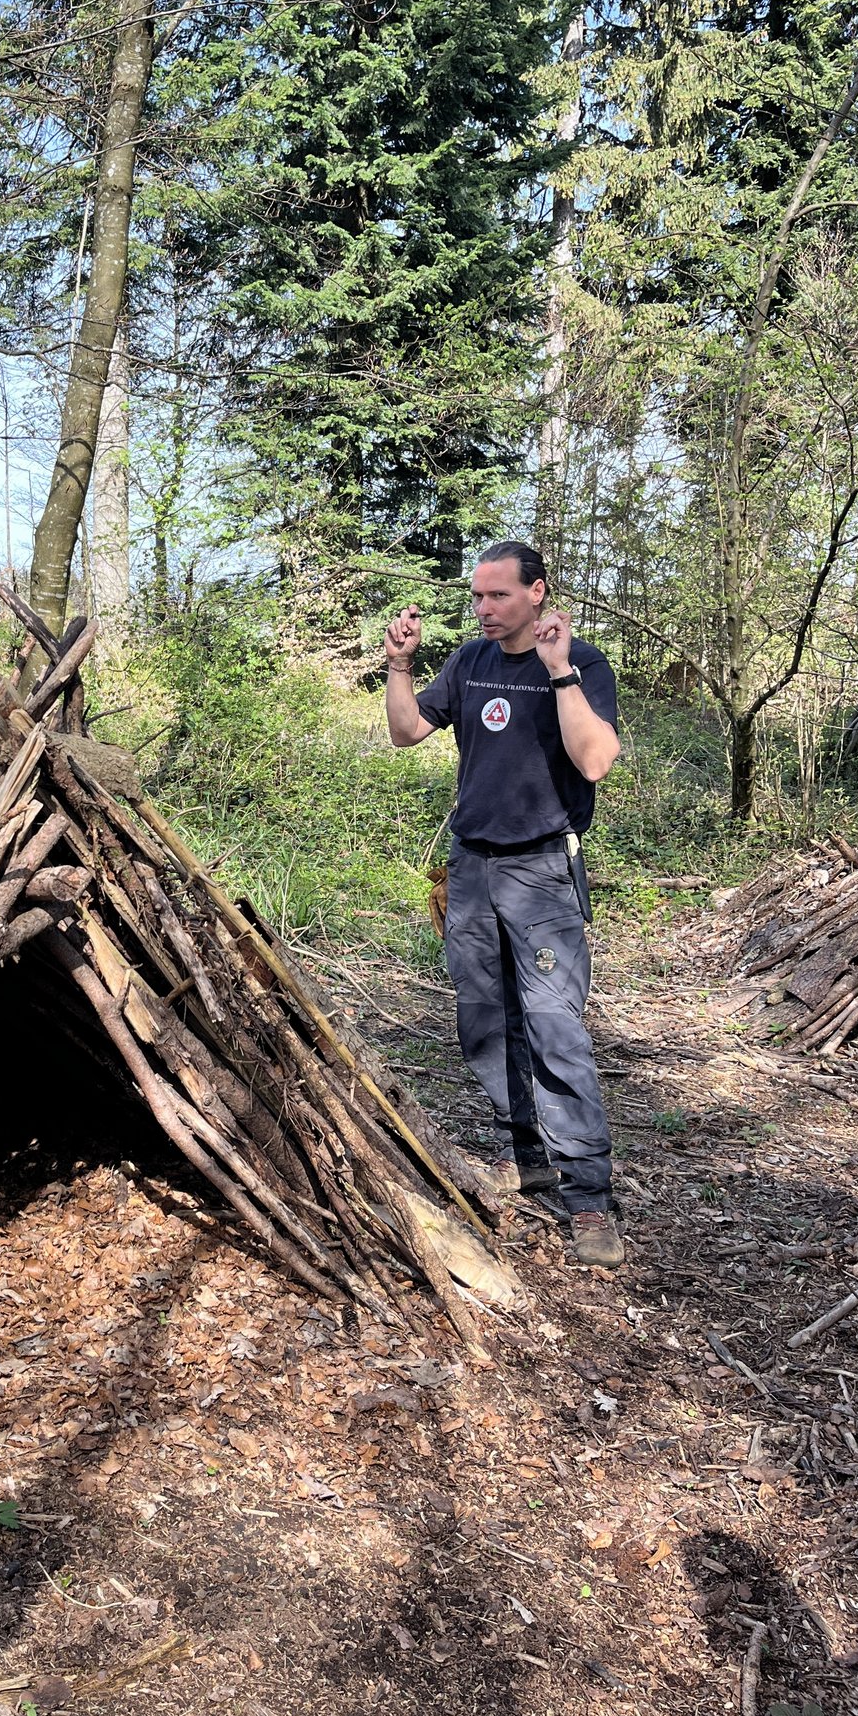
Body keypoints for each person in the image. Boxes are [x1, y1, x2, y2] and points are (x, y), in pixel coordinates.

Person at [382, 541, 626, 1269]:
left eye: (498, 596)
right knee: (484, 1020)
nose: (483, 609)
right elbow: (406, 731)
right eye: (477, 597)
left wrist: (559, 672)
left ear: (537, 592)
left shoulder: (582, 664)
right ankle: (526, 1157)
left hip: (543, 870)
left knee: (556, 1028)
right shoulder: (469, 661)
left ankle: (589, 1198)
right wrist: (399, 665)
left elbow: (595, 761)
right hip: (472, 869)